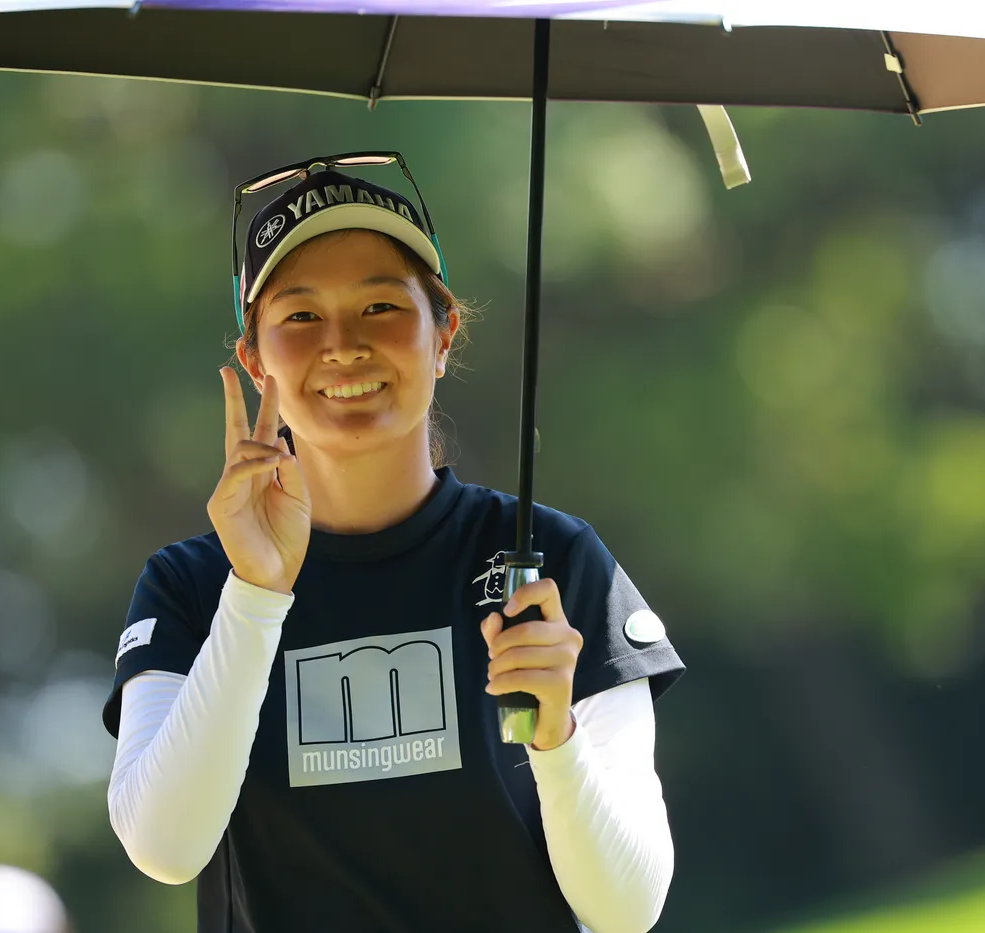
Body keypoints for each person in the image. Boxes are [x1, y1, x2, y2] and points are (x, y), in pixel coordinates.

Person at [102, 155, 686, 933]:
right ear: (254, 360)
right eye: (301, 317)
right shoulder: (192, 585)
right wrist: (254, 597)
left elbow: (627, 909)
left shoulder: (553, 560)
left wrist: (556, 739)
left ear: (443, 334)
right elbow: (165, 847)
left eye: (380, 306)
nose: (344, 345)